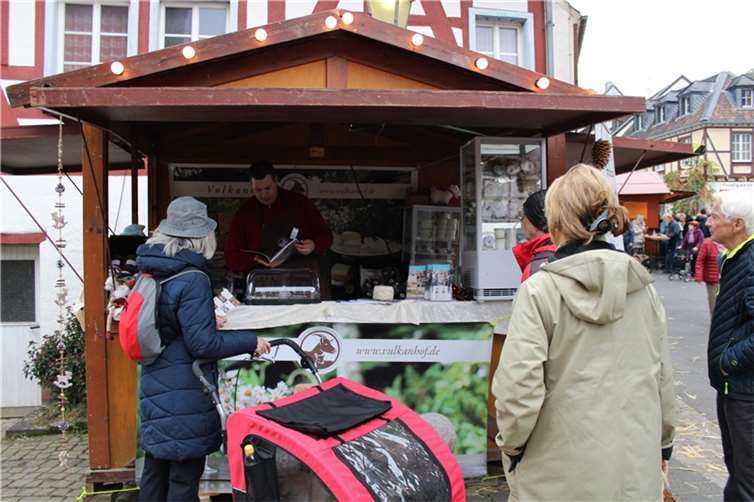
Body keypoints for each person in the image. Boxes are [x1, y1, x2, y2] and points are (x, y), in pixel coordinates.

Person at [492, 164, 675, 501]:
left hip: (556, 471)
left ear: (556, 221)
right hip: (634, 467)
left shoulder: (540, 290)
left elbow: (518, 389)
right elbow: (662, 375)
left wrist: (511, 449)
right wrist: (663, 445)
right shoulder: (642, 288)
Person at [136, 196, 271, 501]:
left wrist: (205, 319)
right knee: (183, 480)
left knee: (156, 472)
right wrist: (250, 341)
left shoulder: (152, 268)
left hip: (157, 383)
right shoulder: (193, 277)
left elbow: (169, 321)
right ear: (202, 236)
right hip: (185, 389)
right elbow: (202, 344)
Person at [705, 189, 754, 501]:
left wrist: (729, 361)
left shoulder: (750, 262)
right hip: (734, 386)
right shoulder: (735, 258)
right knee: (738, 470)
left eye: (715, 216)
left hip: (745, 390)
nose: (709, 222)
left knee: (747, 477)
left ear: (737, 224)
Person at [224, 161, 333, 273]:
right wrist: (254, 260)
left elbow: (326, 235)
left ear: (276, 181)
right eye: (258, 190)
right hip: (262, 276)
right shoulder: (245, 212)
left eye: (268, 188)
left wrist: (314, 245)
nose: (264, 195)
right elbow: (230, 256)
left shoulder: (300, 203)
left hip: (301, 273)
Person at [511, 189, 557, 282]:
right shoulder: (574, 251)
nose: (521, 221)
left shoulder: (536, 268)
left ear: (535, 219)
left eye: (523, 216)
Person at [694, 236, 724, 318]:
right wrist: (699, 275)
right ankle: (715, 320)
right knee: (713, 301)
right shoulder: (707, 243)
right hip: (712, 279)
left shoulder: (728, 242)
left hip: (727, 278)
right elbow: (700, 260)